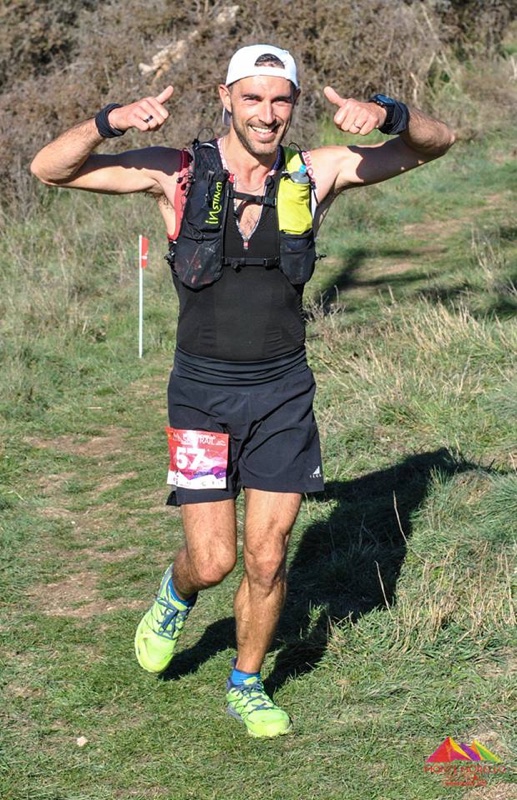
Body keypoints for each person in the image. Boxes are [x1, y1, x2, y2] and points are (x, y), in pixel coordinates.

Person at [30, 43, 455, 738]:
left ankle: (245, 682)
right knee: (214, 559)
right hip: (200, 396)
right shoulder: (178, 171)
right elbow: (48, 169)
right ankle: (175, 594)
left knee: (265, 555)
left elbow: (434, 146)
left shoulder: (317, 173)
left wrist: (387, 113)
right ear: (226, 98)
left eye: (279, 98)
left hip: (283, 394)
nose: (267, 113)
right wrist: (111, 122)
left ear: (292, 104)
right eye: (252, 97)